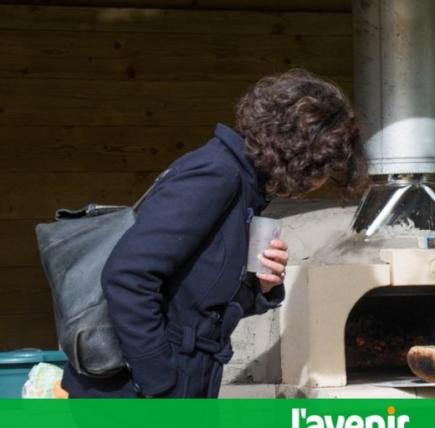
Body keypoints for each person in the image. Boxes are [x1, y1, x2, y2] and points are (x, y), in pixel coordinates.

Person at [61, 69, 367, 398]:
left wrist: (259, 286)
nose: (319, 183)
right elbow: (127, 276)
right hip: (132, 398)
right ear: (304, 155)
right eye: (324, 168)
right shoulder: (216, 174)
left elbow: (197, 299)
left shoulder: (244, 187)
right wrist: (160, 382)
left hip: (181, 386)